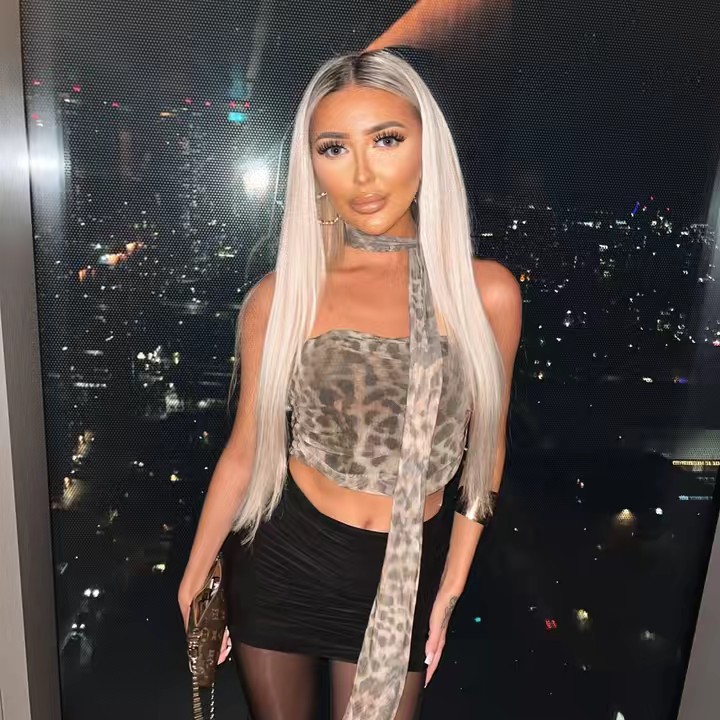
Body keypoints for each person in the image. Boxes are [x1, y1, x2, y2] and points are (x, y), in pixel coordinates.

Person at [179, 49, 522, 720]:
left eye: (386, 140)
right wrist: (195, 575)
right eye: (334, 148)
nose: (362, 175)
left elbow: (487, 452)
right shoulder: (284, 296)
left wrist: (449, 586)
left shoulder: (487, 294)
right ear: (311, 166)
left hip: (403, 573)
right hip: (281, 563)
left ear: (427, 147)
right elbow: (245, 451)